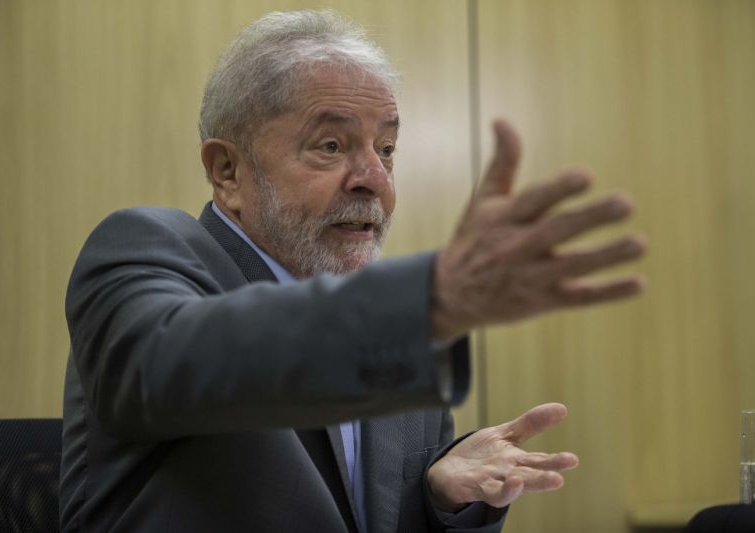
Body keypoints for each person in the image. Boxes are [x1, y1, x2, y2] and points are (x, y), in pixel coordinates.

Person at [59, 10, 645, 533]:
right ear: (228, 171)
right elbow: (170, 368)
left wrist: (443, 499)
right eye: (332, 146)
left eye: (386, 149)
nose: (375, 181)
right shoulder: (148, 248)